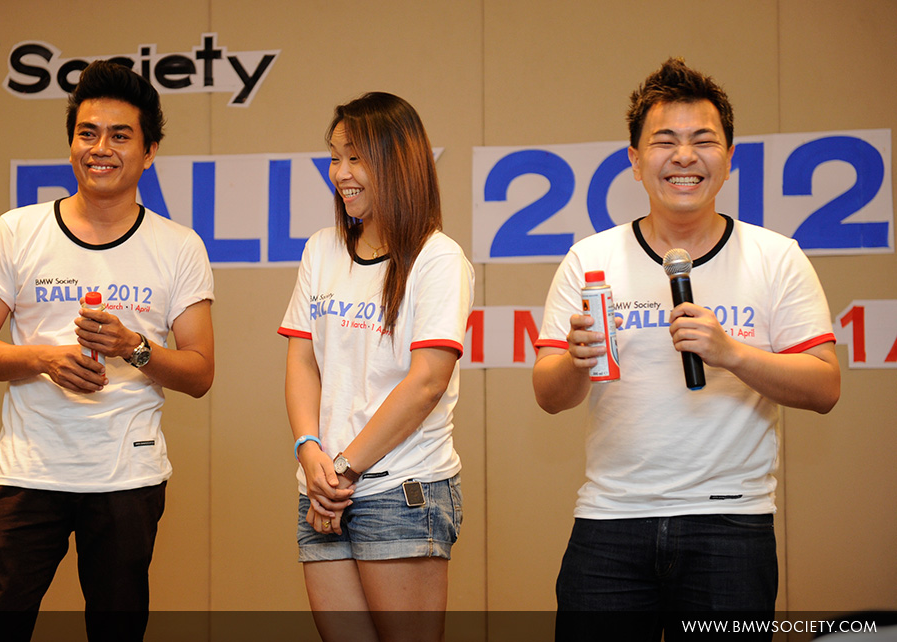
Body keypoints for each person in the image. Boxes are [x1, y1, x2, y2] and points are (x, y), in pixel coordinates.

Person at [532, 58, 840, 641]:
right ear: (634, 159)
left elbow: (825, 386)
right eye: (664, 141)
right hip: (611, 520)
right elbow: (549, 396)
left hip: (731, 524)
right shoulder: (590, 259)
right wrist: (575, 361)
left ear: (729, 158)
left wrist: (733, 354)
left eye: (703, 141)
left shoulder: (776, 257)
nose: (684, 157)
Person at [0, 60, 214, 642]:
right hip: (27, 469)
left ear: (149, 152)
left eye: (120, 136)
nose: (100, 149)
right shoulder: (18, 231)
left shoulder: (179, 247)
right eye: (87, 133)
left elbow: (199, 372)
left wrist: (133, 347)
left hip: (127, 475)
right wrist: (43, 359)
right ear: (72, 143)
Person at [278, 92, 474, 642]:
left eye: (356, 158)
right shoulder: (322, 250)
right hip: (322, 487)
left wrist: (343, 470)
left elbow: (426, 382)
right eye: (334, 157)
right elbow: (302, 361)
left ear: (398, 162)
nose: (341, 173)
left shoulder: (438, 258)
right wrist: (309, 451)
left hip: (401, 489)